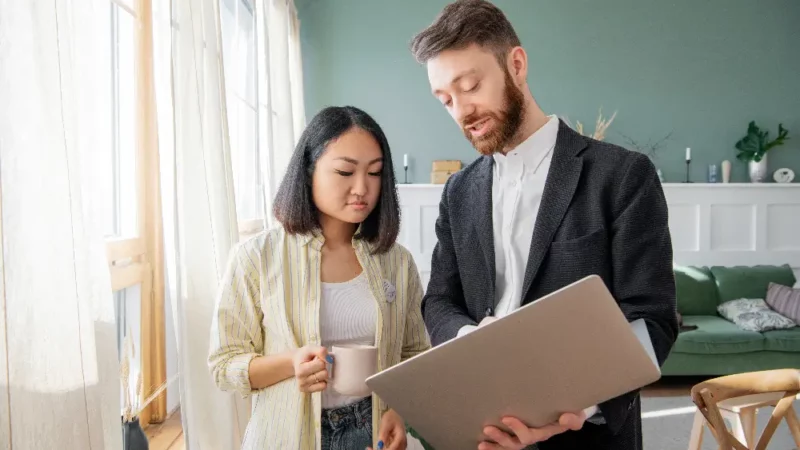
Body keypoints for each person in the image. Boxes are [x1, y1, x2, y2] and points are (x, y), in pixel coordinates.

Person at [408, 1, 678, 449]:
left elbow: (652, 320)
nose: (461, 111)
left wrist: (573, 406)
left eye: (470, 85)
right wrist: (472, 341)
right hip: (481, 431)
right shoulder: (457, 191)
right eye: (446, 100)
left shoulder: (622, 176)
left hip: (585, 435)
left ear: (516, 64)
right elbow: (439, 300)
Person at [208, 105, 431, 450]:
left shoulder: (396, 262)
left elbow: (414, 354)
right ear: (309, 170)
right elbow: (224, 364)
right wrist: (290, 363)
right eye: (345, 172)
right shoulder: (256, 257)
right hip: (285, 435)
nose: (362, 188)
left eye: (374, 173)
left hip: (370, 432)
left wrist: (398, 411)